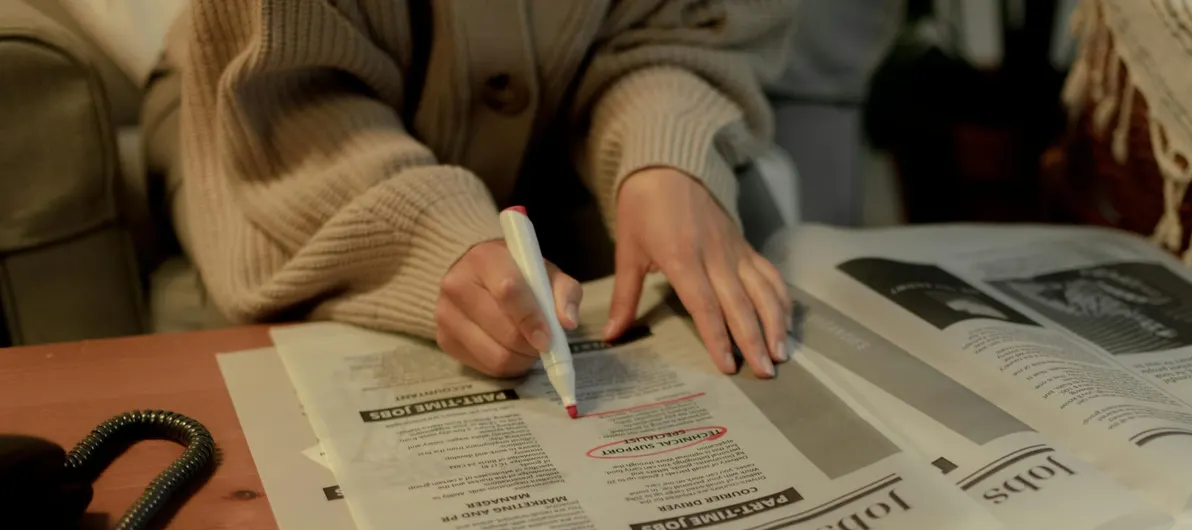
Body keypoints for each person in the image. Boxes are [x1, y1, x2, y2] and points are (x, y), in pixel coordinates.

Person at [157, 0, 797, 379]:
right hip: (266, 131)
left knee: (725, 301)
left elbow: (692, 22)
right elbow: (290, 107)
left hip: (574, 130)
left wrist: (666, 154)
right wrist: (435, 239)